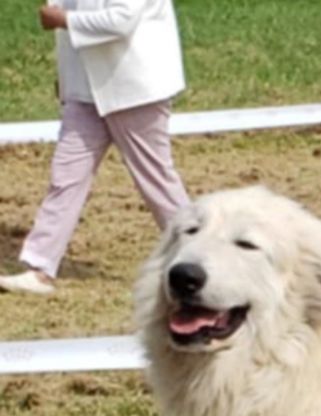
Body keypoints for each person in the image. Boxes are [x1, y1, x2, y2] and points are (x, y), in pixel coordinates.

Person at [0, 1, 190, 296]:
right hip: (85, 90)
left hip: (134, 88)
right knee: (66, 177)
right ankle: (40, 268)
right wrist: (67, 80)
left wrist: (63, 19)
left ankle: (201, 250)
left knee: (156, 181)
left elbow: (122, 20)